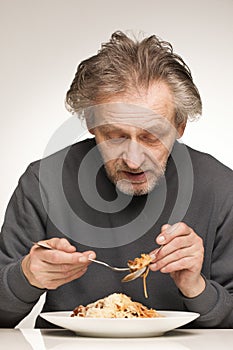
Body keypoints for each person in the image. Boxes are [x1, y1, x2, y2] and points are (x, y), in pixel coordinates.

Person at [0, 31, 232, 329]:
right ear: (91, 124)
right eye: (115, 136)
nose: (133, 160)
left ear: (180, 126)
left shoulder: (222, 188)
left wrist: (196, 287)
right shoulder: (43, 181)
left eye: (151, 137)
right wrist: (26, 277)